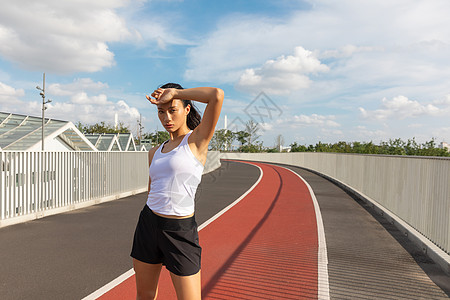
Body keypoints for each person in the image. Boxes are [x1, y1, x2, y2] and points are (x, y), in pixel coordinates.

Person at [130, 83, 224, 300]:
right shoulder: (155, 152)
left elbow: (216, 95)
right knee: (144, 295)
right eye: (161, 112)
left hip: (180, 230)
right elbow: (152, 189)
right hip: (148, 225)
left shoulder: (197, 140)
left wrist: (176, 94)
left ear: (187, 109)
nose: (167, 118)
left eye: (173, 110)